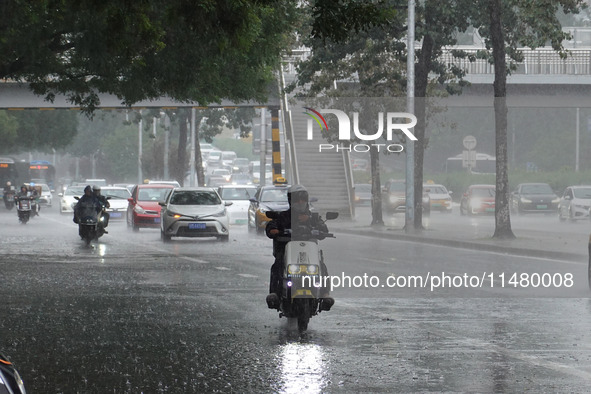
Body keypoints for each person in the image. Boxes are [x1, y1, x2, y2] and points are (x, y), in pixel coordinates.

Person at [265, 185, 333, 310]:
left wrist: (312, 222)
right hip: (288, 253)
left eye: (303, 199)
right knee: (277, 265)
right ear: (291, 201)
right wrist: (273, 230)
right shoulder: (283, 216)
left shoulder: (313, 217)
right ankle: (275, 293)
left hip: (309, 255)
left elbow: (323, 229)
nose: (300, 202)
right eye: (297, 199)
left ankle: (325, 294)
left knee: (322, 267)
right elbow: (272, 225)